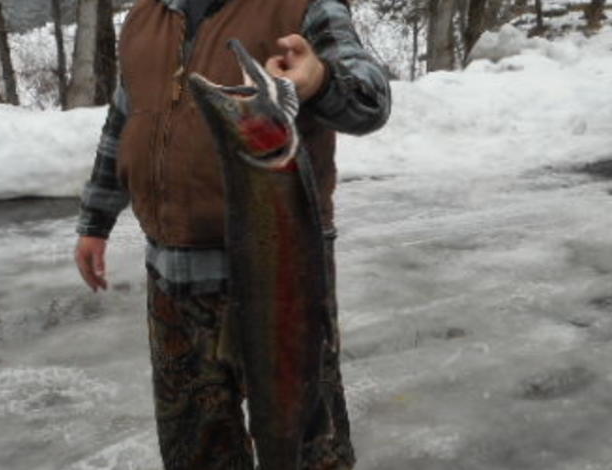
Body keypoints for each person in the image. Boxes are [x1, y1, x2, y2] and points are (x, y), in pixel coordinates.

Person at [73, 0, 390, 468]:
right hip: (171, 279)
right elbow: (124, 120)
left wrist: (320, 80)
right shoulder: (145, 18)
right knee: (195, 450)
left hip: (283, 279)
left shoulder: (303, 7)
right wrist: (96, 220)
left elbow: (371, 100)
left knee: (306, 442)